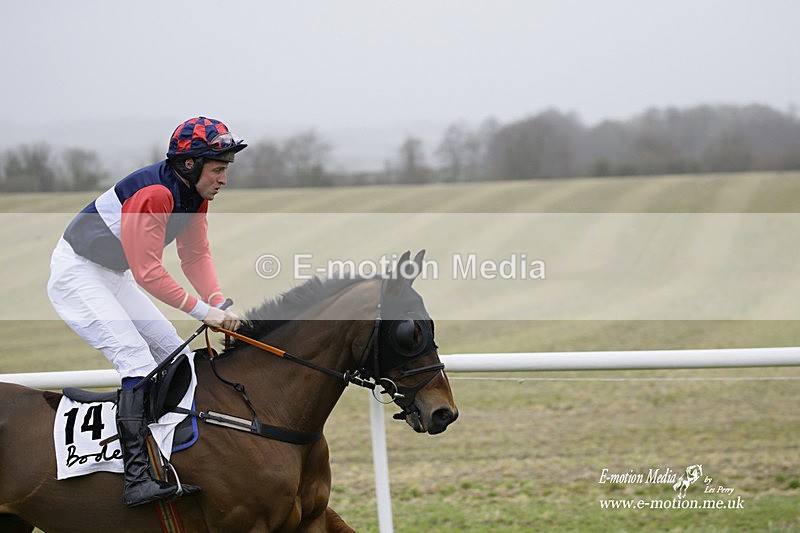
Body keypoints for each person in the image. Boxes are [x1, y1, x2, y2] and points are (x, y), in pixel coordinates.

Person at [47, 116, 245, 507]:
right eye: (218, 168)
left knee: (175, 356)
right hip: (78, 273)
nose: (224, 178)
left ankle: (172, 460)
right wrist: (203, 311)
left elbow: (195, 254)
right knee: (135, 357)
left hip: (114, 275)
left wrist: (218, 302)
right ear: (190, 164)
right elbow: (150, 273)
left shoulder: (195, 196)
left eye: (226, 170)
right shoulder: (155, 193)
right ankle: (136, 477)